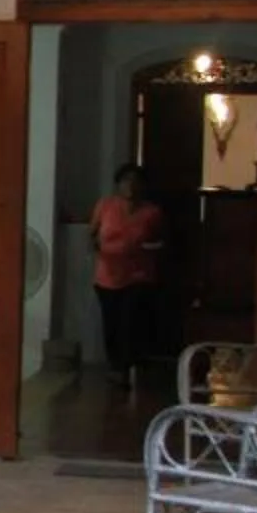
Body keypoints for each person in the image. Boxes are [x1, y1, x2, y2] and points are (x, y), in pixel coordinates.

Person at [91, 162, 167, 392]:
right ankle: (114, 366)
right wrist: (101, 251)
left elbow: (163, 242)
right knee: (111, 322)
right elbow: (93, 235)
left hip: (137, 274)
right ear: (118, 184)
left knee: (130, 322)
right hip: (107, 274)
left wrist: (146, 247)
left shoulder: (152, 212)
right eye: (126, 181)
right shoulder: (105, 206)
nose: (130, 186)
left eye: (136, 181)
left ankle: (126, 368)